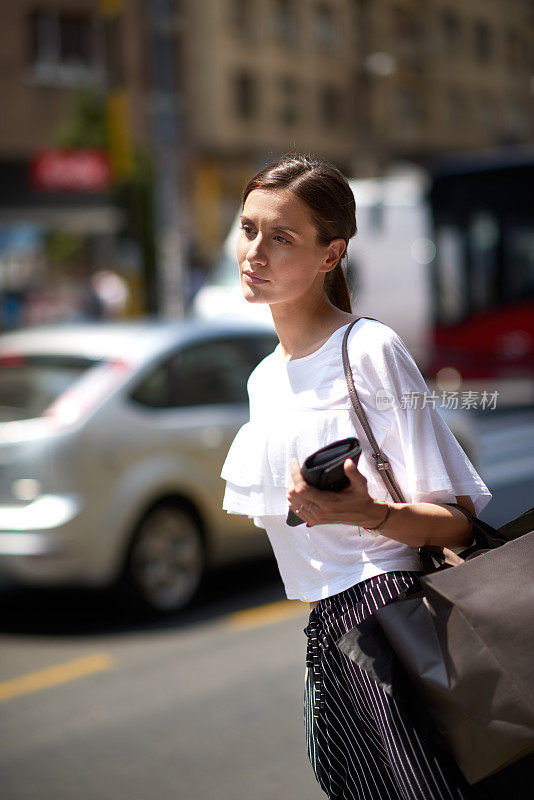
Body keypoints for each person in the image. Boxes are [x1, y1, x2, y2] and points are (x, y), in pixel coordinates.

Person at [220, 154, 493, 800]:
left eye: (281, 237)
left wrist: (366, 514)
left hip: (395, 620)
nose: (255, 251)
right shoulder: (265, 379)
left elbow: (457, 519)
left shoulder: (368, 350)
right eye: (249, 228)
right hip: (331, 638)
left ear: (330, 254)